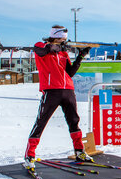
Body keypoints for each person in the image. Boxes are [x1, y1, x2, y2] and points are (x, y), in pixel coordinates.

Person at [23, 25, 93, 169]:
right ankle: (29, 155)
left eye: (65, 39)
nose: (64, 41)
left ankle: (79, 151)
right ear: (55, 36)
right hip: (51, 91)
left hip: (67, 89)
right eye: (62, 38)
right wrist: (59, 47)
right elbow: (44, 50)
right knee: (41, 122)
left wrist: (80, 56)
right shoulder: (41, 46)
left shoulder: (63, 53)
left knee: (74, 121)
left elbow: (70, 72)